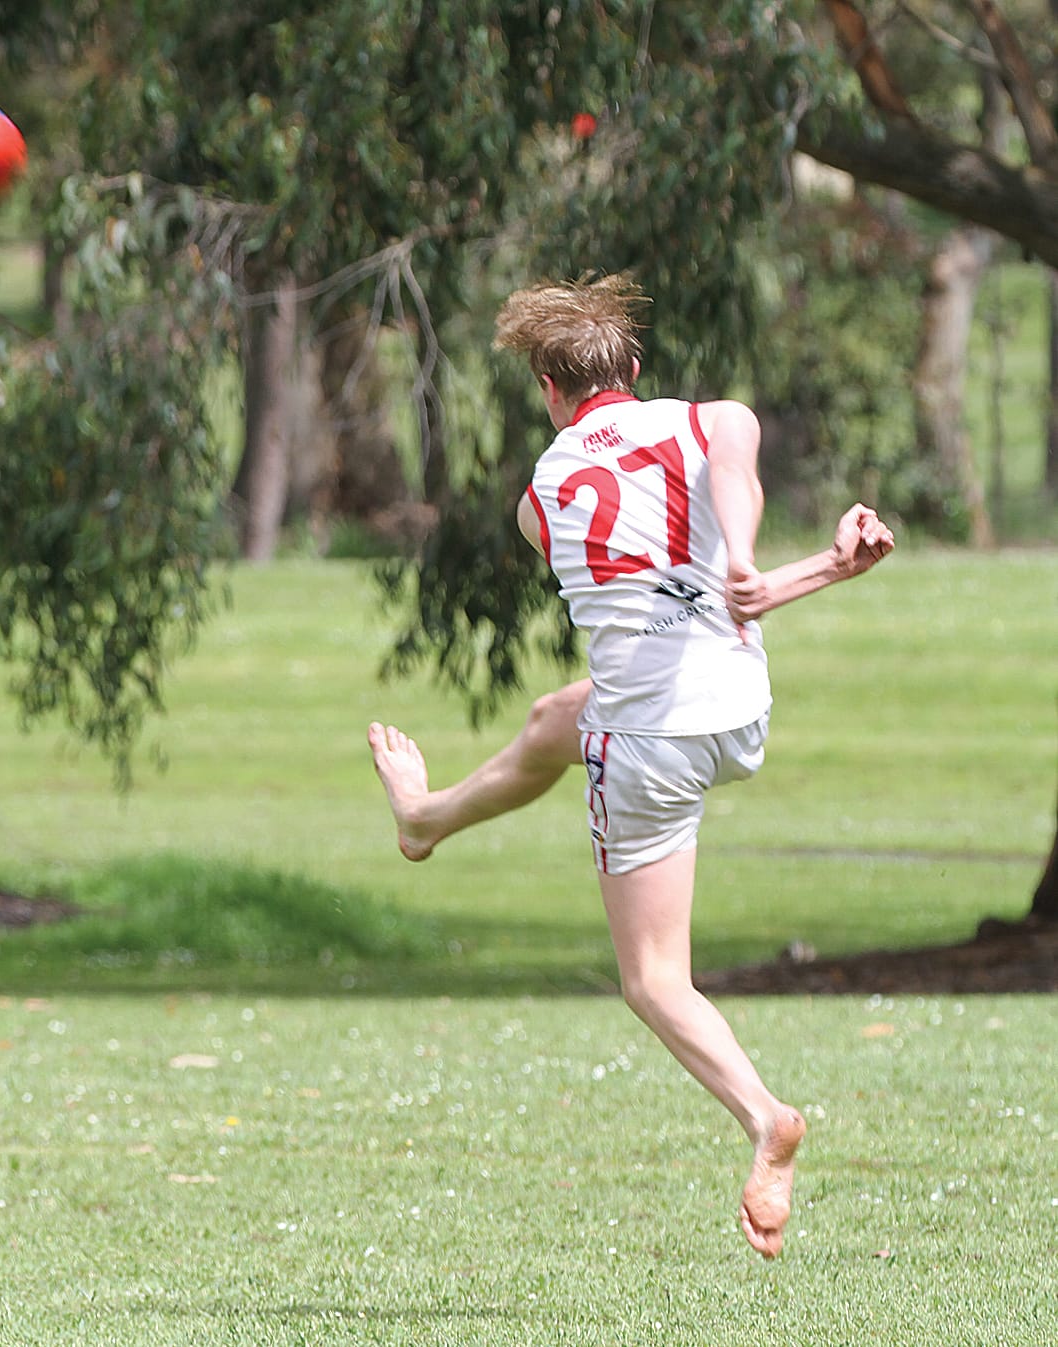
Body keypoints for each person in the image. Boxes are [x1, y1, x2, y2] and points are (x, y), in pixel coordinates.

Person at [368, 274, 895, 1259]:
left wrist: (732, 561)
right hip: (736, 711)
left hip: (650, 744)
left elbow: (648, 586)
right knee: (554, 716)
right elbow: (723, 545)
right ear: (636, 370)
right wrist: (817, 565)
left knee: (655, 980)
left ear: (547, 389)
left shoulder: (542, 499)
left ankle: (764, 1117)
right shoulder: (716, 420)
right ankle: (427, 819)